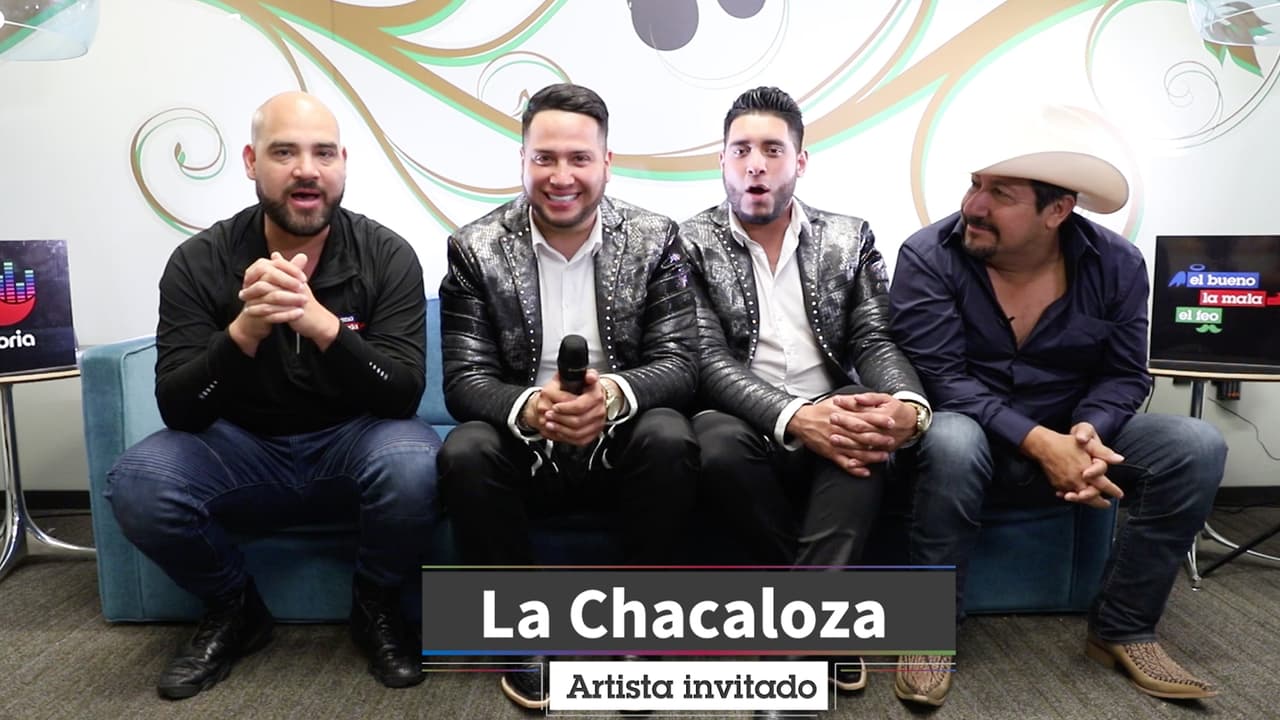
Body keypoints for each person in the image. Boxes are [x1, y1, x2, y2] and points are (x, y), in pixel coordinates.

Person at [106, 91, 440, 699]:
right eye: (284, 153)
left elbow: (402, 397)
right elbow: (179, 408)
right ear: (251, 161)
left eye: (323, 153)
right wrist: (245, 331)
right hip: (240, 448)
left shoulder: (386, 255)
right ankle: (235, 609)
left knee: (415, 460)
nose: (306, 170)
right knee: (139, 481)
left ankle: (375, 604)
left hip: (353, 441)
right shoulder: (198, 262)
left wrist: (324, 327)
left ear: (343, 163)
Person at [889, 105, 1225, 706]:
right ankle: (927, 632)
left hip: (1073, 431)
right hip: (972, 436)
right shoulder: (928, 256)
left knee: (1196, 447)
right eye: (975, 184)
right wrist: (1041, 443)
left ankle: (1123, 628)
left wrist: (1087, 434)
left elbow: (1124, 374)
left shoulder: (1117, 264)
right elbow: (941, 378)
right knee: (952, 439)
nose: (974, 206)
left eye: (1001, 194)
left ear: (1057, 211)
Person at [435, 83, 700, 711]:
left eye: (579, 158)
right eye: (544, 158)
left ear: (607, 162)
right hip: (527, 448)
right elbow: (464, 380)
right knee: (465, 450)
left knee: (671, 436)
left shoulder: (656, 238)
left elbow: (681, 363)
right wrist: (532, 407)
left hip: (621, 445)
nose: (561, 177)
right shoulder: (474, 248)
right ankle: (521, 632)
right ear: (522, 160)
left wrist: (610, 396)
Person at [680, 86, 933, 715]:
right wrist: (794, 416)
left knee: (863, 424)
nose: (756, 165)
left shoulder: (849, 237)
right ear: (722, 160)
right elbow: (705, 359)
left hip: (834, 405)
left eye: (772, 149)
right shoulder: (684, 243)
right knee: (712, 444)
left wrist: (907, 402)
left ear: (800, 160)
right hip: (740, 417)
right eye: (741, 150)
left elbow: (873, 337)